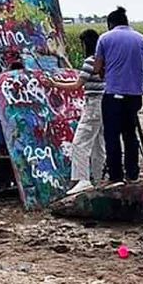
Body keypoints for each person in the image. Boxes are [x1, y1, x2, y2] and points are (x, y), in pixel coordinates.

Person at [93, 6, 143, 185]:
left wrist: (108, 72)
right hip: (134, 96)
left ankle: (116, 176)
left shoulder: (105, 38)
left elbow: (97, 69)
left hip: (113, 94)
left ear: (110, 24)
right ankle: (133, 173)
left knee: (112, 136)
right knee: (130, 134)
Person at [59, 28, 105, 192]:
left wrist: (54, 85)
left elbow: (76, 85)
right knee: (98, 145)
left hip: (93, 104)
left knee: (80, 143)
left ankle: (82, 179)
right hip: (105, 103)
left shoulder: (90, 62)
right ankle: (100, 179)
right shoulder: (104, 59)